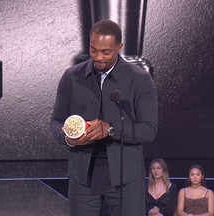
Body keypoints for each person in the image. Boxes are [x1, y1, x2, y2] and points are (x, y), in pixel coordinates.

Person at [50, 19, 158, 216]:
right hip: (83, 177)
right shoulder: (71, 76)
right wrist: (67, 138)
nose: (98, 57)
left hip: (125, 179)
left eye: (106, 52)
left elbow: (149, 130)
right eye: (93, 50)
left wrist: (110, 129)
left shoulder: (140, 79)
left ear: (119, 47)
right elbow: (56, 121)